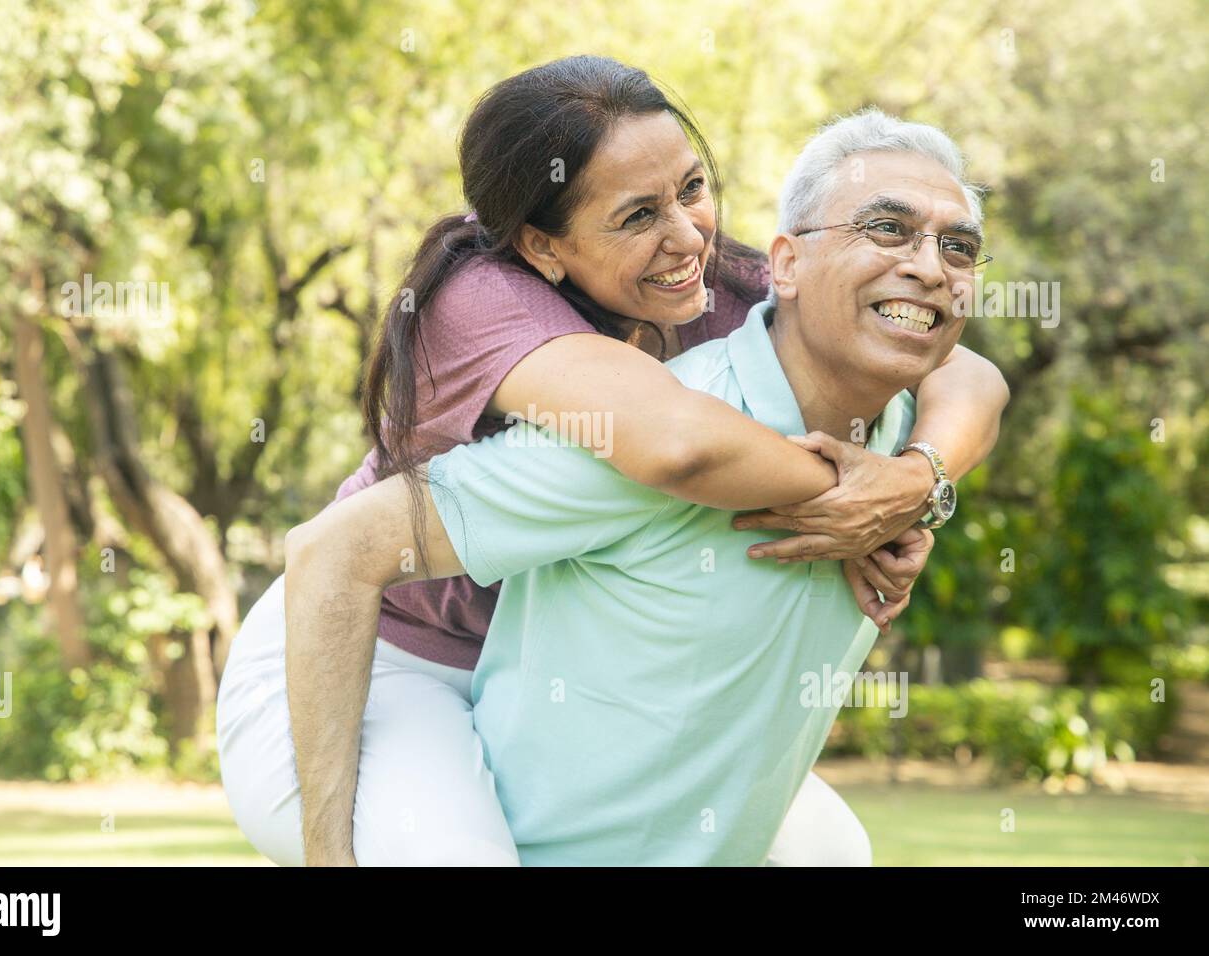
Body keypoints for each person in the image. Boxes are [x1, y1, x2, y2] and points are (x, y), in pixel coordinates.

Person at [216, 56, 1007, 865]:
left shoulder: (711, 275)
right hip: (369, 652)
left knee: (829, 852)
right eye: (636, 215)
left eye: (692, 189)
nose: (688, 233)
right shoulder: (480, 301)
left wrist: (915, 480)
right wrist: (859, 503)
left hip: (528, 680)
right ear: (543, 244)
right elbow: (675, 446)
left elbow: (968, 372)